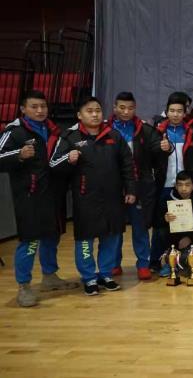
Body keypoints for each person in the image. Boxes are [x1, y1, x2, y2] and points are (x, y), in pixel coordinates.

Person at [0, 90, 78, 307]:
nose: (40, 110)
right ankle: (24, 286)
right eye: (34, 107)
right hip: (29, 196)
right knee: (30, 241)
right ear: (23, 109)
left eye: (43, 106)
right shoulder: (14, 131)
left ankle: (49, 276)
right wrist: (18, 155)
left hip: (53, 194)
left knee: (52, 237)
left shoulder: (53, 129)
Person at [52, 96, 136, 296]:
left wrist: (131, 189)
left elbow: (127, 165)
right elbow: (53, 164)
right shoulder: (69, 137)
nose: (95, 114)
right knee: (85, 239)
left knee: (112, 236)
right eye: (89, 111)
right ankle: (89, 277)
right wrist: (68, 159)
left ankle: (106, 274)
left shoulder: (113, 135)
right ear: (79, 115)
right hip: (85, 198)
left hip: (113, 197)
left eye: (98, 110)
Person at [109, 91, 167, 280]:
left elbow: (158, 149)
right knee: (114, 228)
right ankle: (113, 264)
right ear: (114, 108)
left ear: (135, 108)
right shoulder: (104, 128)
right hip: (113, 186)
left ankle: (143, 264)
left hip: (140, 186)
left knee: (140, 227)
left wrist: (165, 148)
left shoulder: (145, 129)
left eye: (130, 108)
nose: (126, 112)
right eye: (122, 107)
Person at [154, 94, 193, 272]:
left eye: (179, 111)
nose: (175, 114)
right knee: (162, 224)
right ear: (166, 112)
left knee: (189, 223)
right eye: (172, 111)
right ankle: (159, 261)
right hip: (165, 184)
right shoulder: (157, 131)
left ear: (185, 113)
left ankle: (186, 259)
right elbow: (150, 157)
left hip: (187, 185)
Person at [159, 171, 193, 253]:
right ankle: (170, 254)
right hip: (174, 237)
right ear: (176, 186)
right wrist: (165, 219)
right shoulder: (167, 200)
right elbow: (158, 222)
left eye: (187, 185)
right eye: (180, 185)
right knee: (161, 231)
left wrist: (190, 238)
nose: (183, 188)